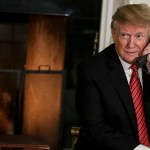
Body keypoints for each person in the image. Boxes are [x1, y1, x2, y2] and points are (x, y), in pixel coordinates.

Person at [74, 3, 150, 150]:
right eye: (124, 35)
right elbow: (95, 129)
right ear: (114, 34)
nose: (131, 44)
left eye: (139, 36)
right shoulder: (91, 70)